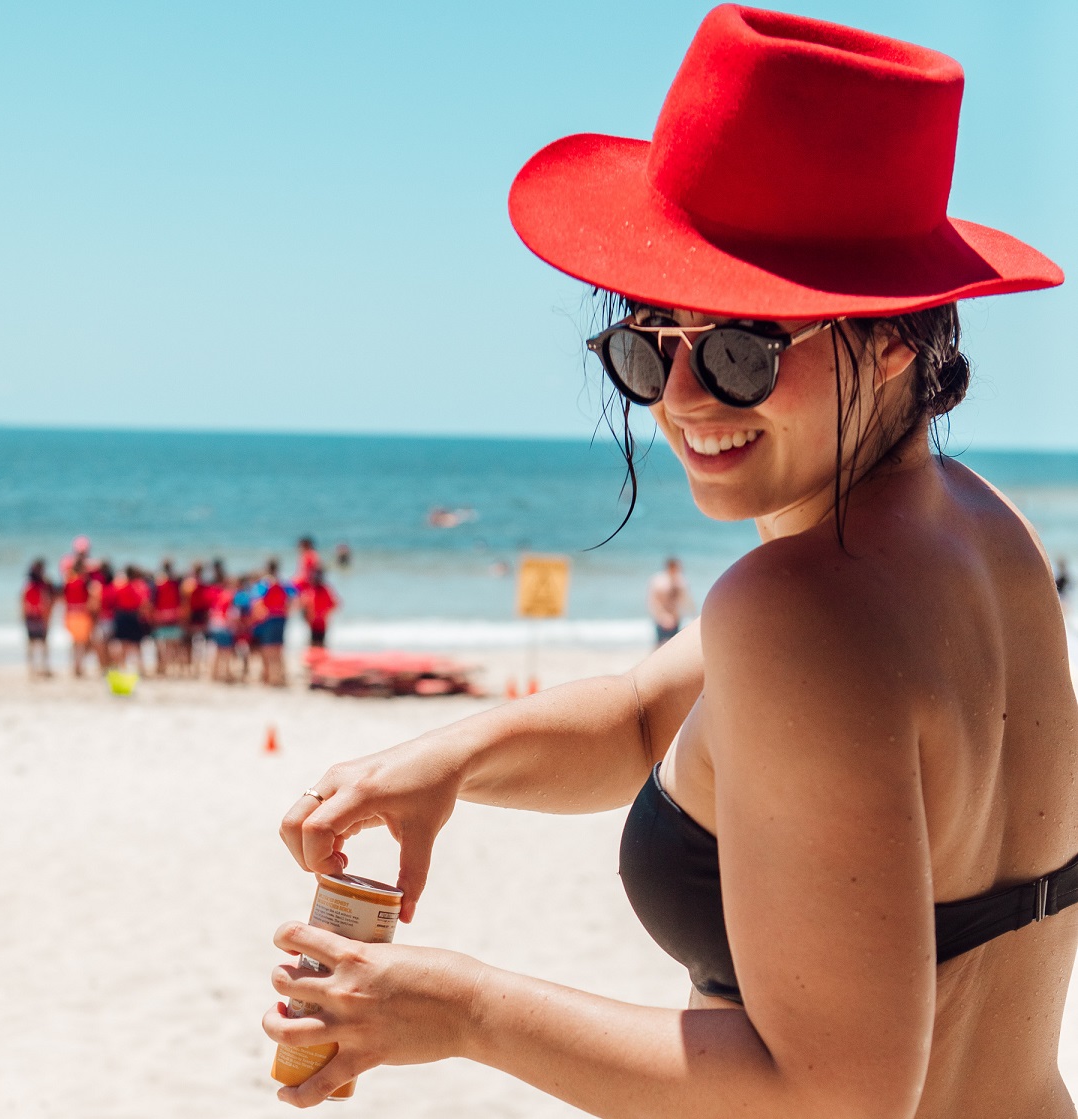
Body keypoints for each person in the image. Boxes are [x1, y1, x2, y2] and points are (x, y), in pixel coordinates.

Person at [266, 9, 1078, 1117]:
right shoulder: (990, 536)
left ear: (895, 340)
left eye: (744, 349)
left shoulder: (802, 607)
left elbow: (837, 1098)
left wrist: (460, 1011)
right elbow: (654, 721)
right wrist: (454, 759)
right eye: (651, 339)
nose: (685, 397)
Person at [253, 558, 295, 686]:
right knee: (278, 648)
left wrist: (259, 615)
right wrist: (287, 611)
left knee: (267, 649)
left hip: (269, 618)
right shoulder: (283, 582)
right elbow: (295, 598)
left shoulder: (265, 583)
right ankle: (280, 676)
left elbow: (257, 601)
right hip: (281, 617)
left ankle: (270, 677)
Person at [647, 556, 694, 646]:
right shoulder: (658, 581)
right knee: (659, 646)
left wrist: (693, 616)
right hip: (661, 620)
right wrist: (662, 617)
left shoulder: (681, 581)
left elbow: (687, 600)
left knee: (674, 645)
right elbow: (653, 601)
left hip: (676, 619)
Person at [20, 560, 55, 678]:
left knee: (33, 643)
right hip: (37, 617)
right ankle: (40, 667)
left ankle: (34, 668)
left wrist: (23, 616)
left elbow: (23, 603)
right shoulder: (38, 585)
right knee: (41, 643)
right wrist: (47, 619)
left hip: (33, 616)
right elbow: (45, 603)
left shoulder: (30, 585)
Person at [62, 558, 95, 676]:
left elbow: (64, 598)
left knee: (75, 642)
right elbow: (90, 599)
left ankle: (74, 665)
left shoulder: (68, 581)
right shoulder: (84, 582)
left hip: (70, 614)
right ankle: (79, 666)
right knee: (82, 643)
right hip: (82, 615)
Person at [299, 566, 338, 650]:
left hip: (319, 623)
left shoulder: (323, 590)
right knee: (315, 644)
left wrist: (325, 614)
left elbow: (335, 604)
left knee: (318, 644)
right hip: (314, 623)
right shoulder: (318, 590)